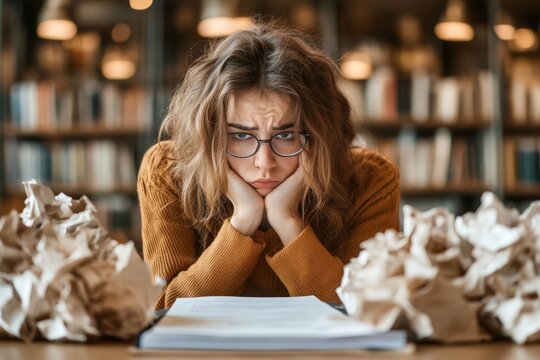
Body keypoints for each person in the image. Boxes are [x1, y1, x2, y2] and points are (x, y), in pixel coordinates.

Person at [137, 23, 400, 310]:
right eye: (239, 136)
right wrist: (244, 219)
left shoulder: (370, 178)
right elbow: (165, 309)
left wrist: (287, 220)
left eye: (286, 135)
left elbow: (366, 310)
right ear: (210, 135)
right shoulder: (167, 170)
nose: (264, 163)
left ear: (319, 136)